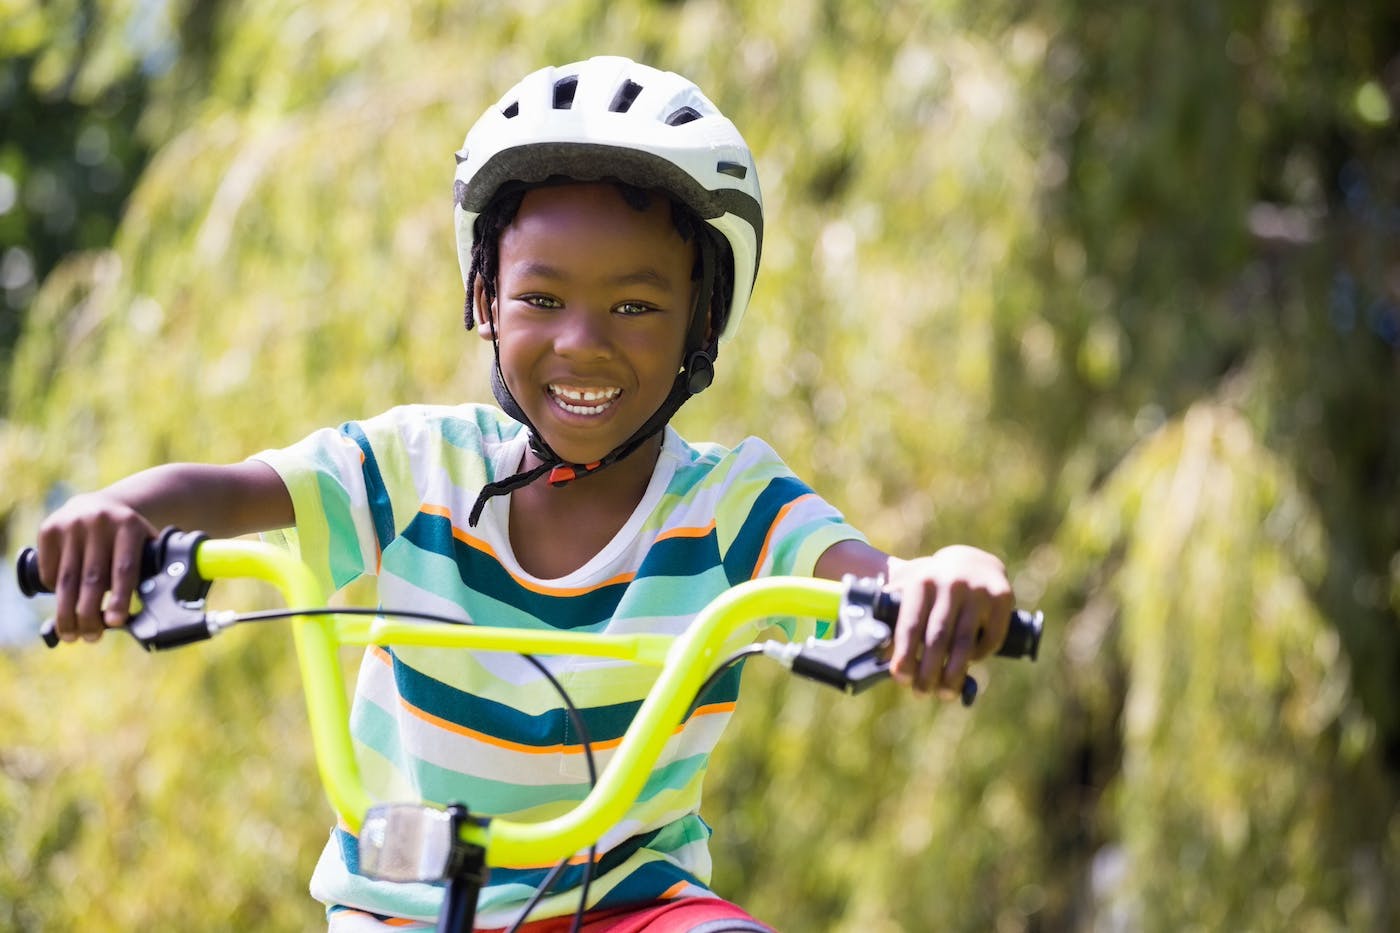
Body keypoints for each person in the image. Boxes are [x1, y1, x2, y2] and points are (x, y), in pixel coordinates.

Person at [33, 57, 1014, 932]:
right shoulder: (415, 469)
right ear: (482, 302)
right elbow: (235, 490)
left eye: (634, 306)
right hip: (402, 901)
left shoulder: (728, 504)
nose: (581, 341)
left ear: (701, 324)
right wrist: (116, 515)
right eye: (539, 300)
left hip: (634, 904)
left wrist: (951, 581)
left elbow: (876, 574)